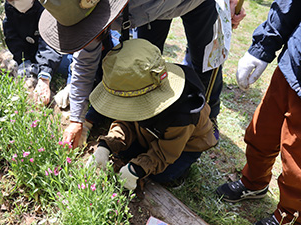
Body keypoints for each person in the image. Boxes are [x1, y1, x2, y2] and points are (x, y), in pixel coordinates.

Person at [38, 0, 246, 149]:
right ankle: (143, 120)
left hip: (198, 4)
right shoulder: (79, 11)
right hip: (145, 12)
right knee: (141, 67)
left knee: (203, 68)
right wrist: (77, 119)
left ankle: (203, 121)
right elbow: (85, 60)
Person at [86, 39, 217, 190]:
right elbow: (126, 121)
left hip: (182, 145)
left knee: (162, 174)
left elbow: (166, 152)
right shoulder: (137, 86)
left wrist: (137, 170)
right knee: (125, 152)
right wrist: (106, 145)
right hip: (148, 131)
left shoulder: (182, 114)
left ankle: (181, 171)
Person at [216, 0, 301, 224]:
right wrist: (262, 47)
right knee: (261, 132)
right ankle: (254, 183)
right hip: (293, 63)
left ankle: (289, 216)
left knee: (297, 163)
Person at [3, 0, 70, 105]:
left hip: (58, 49)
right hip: (34, 52)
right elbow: (13, 38)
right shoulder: (10, 10)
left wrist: (44, 77)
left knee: (65, 66)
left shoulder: (48, 7)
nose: (14, 2)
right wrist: (23, 61)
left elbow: (50, 41)